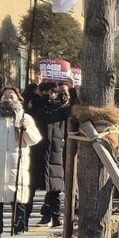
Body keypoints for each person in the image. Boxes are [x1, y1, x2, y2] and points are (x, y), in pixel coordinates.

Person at [0, 87, 43, 237]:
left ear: (18, 99)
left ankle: (19, 231)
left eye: (11, 97)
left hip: (17, 167)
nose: (8, 99)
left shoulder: (25, 118)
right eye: (5, 97)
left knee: (18, 201)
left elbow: (35, 139)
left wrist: (26, 129)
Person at [27, 78, 73, 227]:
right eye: (45, 91)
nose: (49, 94)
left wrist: (71, 88)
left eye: (53, 91)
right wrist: (33, 85)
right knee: (29, 189)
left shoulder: (60, 109)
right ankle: (23, 221)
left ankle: (55, 218)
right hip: (35, 153)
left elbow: (75, 106)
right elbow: (25, 100)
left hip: (55, 153)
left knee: (55, 189)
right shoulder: (34, 108)